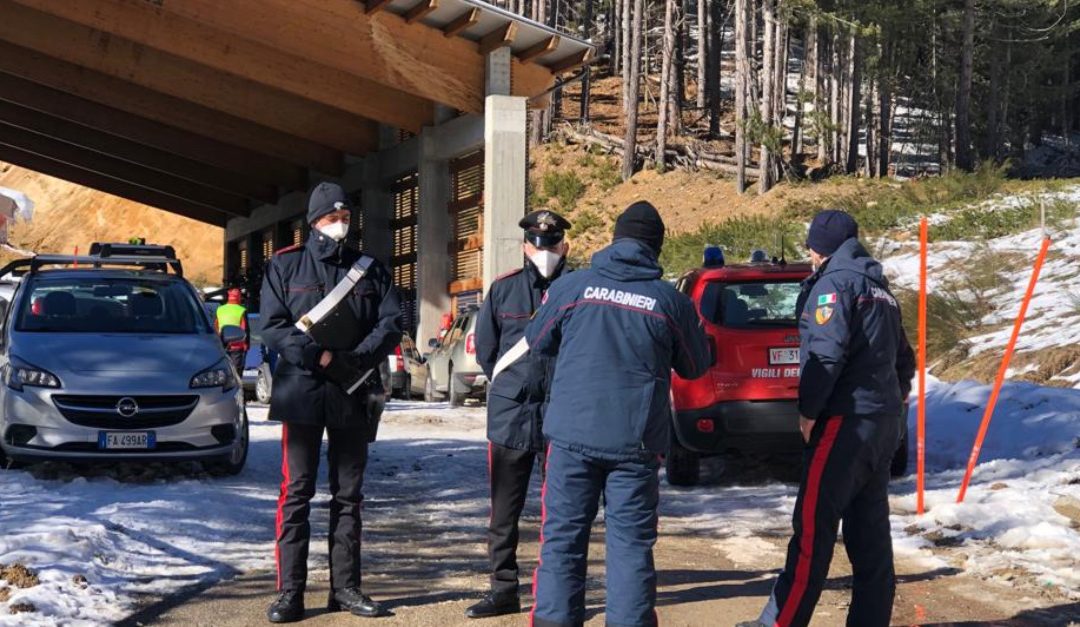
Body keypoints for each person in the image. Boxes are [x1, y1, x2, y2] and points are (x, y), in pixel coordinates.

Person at [524, 201, 710, 626]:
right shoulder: (669, 302)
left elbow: (536, 340)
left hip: (571, 436)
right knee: (629, 546)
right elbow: (696, 366)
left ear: (615, 239)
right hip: (636, 443)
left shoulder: (573, 288)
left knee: (562, 541)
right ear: (656, 248)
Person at [739, 210, 915, 627]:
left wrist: (808, 411)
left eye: (812, 247)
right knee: (870, 535)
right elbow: (904, 362)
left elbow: (825, 355)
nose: (810, 255)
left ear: (820, 248)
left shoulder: (834, 285)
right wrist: (891, 403)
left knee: (813, 531)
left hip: (843, 423)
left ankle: (778, 623)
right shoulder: (881, 290)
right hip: (881, 424)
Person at [260, 182, 402, 623]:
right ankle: (290, 593)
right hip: (302, 389)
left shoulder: (371, 269)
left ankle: (346, 588)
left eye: (344, 217)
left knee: (349, 496)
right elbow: (273, 325)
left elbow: (392, 321)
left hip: (353, 388)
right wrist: (319, 356)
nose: (340, 224)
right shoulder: (284, 265)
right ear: (314, 221)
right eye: (330, 217)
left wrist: (356, 360)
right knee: (297, 492)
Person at [466, 209, 573, 619]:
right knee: (504, 512)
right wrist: (514, 385)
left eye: (552, 244)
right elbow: (489, 352)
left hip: (561, 415)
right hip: (512, 416)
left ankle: (554, 590)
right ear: (526, 246)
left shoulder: (577, 287)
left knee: (560, 511)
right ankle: (503, 589)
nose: (545, 251)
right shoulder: (503, 289)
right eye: (538, 245)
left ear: (564, 245)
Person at [215, 288, 249, 376]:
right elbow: (245, 328)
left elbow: (215, 327)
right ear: (239, 298)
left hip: (222, 345)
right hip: (237, 346)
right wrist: (247, 345)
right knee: (236, 373)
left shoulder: (220, 309)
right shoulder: (241, 310)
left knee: (222, 371)